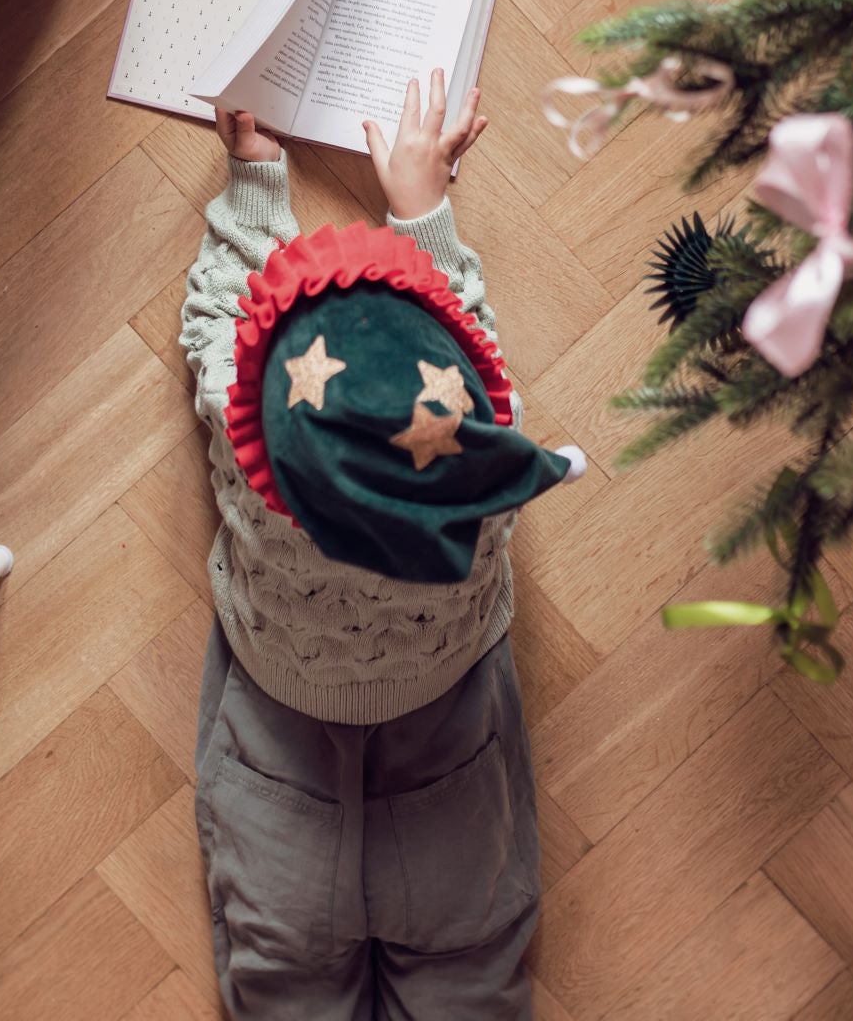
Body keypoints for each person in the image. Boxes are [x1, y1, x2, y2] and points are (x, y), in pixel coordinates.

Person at [180, 70, 583, 1020]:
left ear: (254, 424)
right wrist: (424, 211)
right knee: (467, 970)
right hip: (448, 716)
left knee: (283, 978)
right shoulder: (480, 477)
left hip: (280, 721)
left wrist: (253, 185)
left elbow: (214, 323)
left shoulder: (251, 459)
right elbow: (472, 332)